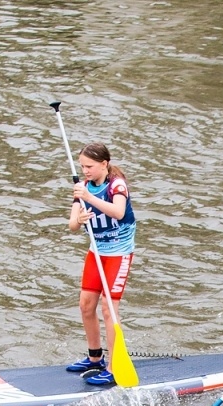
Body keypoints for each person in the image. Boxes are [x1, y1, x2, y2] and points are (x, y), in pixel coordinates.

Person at [64, 141, 135, 388]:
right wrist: (79, 217)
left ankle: (114, 368)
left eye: (90, 166)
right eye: (83, 166)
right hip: (97, 253)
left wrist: (89, 198)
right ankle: (95, 357)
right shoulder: (83, 187)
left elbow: (117, 212)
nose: (85, 171)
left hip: (119, 254)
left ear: (104, 164)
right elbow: (72, 225)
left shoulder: (117, 185)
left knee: (109, 309)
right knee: (85, 305)